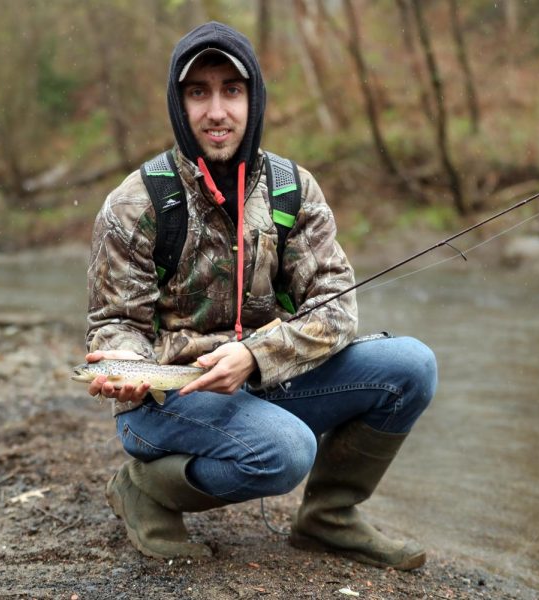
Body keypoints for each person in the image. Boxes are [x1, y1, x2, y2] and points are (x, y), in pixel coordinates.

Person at [82, 21, 437, 571]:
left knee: (411, 365)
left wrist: (254, 357)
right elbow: (113, 322)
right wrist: (125, 365)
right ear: (179, 105)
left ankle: (328, 518)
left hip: (265, 380)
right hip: (169, 399)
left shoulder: (293, 189)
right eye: (198, 92)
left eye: (231, 90)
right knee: (287, 451)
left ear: (254, 99)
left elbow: (337, 308)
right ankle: (145, 488)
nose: (216, 111)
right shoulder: (135, 203)